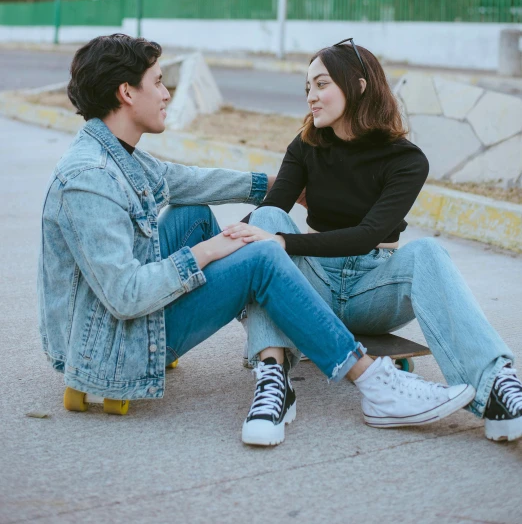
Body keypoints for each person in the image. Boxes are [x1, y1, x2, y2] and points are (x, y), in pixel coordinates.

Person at [38, 33, 475, 447]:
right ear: (126, 93)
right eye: (158, 82)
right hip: (112, 347)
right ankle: (375, 384)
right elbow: (126, 296)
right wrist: (211, 250)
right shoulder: (89, 181)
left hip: (116, 324)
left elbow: (183, 180)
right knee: (262, 255)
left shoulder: (114, 153)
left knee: (193, 214)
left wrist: (269, 184)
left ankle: (279, 361)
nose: (167, 93)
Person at [223, 38, 522, 444]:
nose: (311, 96)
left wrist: (283, 244)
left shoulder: (406, 160)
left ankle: (498, 388)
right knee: (268, 219)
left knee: (428, 251)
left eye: (322, 84)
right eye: (307, 87)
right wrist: (211, 248)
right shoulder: (305, 146)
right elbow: (270, 212)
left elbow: (368, 235)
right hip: (313, 288)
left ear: (359, 85)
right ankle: (274, 380)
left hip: (375, 289)